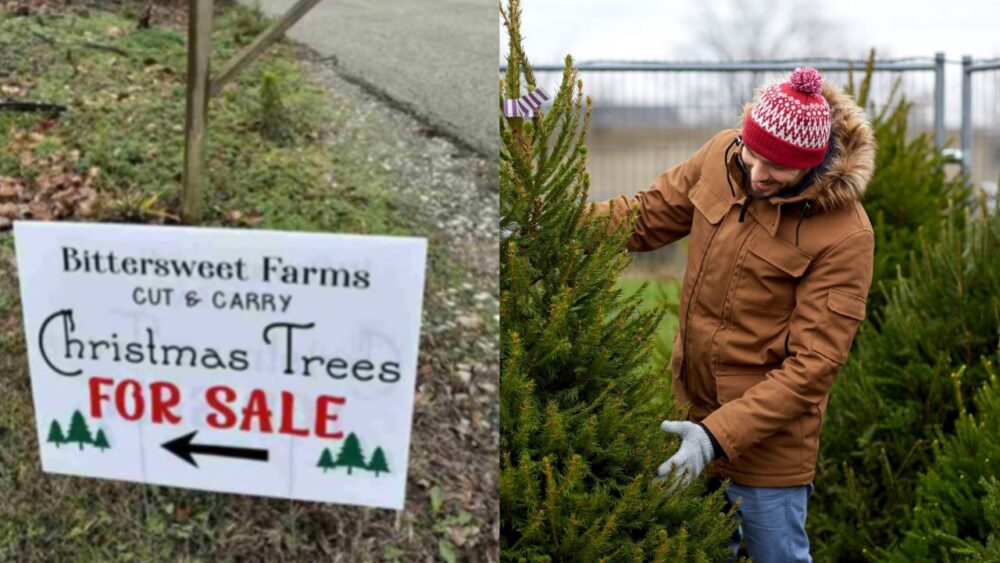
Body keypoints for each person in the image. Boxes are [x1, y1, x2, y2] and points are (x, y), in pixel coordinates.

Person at [588, 67, 877, 562]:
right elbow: (646, 214)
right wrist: (546, 223)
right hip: (690, 421)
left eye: (778, 168)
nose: (758, 173)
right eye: (753, 153)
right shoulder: (723, 157)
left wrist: (716, 438)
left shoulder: (845, 235)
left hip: (769, 452)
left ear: (812, 165)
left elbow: (813, 367)